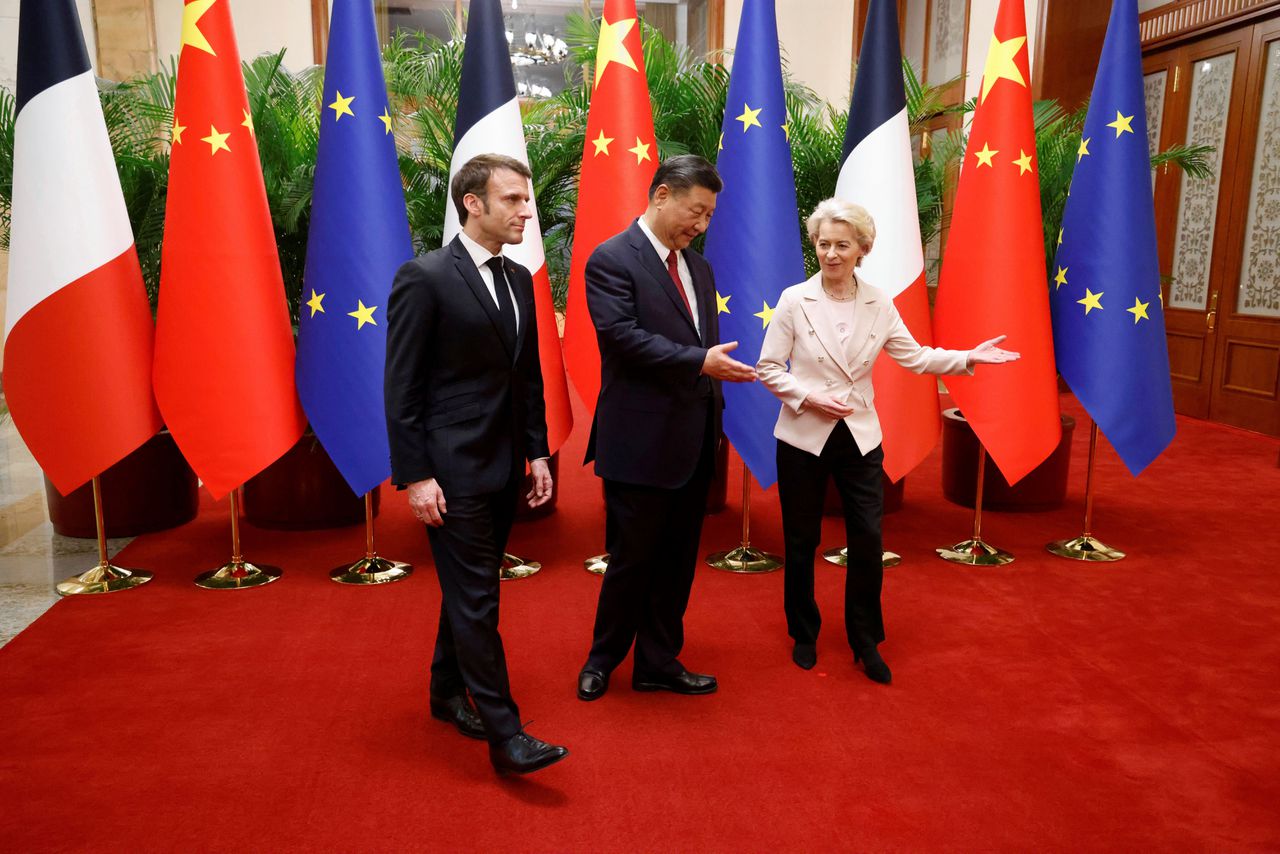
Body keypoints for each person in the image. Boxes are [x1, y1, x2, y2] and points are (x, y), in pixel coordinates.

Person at [756, 199, 1020, 683]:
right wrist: (810, 397)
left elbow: (916, 358)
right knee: (801, 539)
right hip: (802, 437)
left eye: (842, 244)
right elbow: (768, 368)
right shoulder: (795, 299)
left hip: (859, 437)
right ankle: (804, 633)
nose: (831, 254)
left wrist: (968, 357)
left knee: (868, 539)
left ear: (862, 249)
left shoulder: (880, 301)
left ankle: (865, 639)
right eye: (823, 244)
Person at [384, 153, 567, 775]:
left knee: (470, 591)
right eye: (513, 199)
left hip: (504, 466)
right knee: (478, 601)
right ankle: (506, 734)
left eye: (526, 198)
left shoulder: (519, 279)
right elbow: (401, 388)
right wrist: (415, 475)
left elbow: (527, 377)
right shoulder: (425, 276)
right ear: (474, 204)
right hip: (450, 471)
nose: (526, 210)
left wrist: (537, 451)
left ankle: (444, 691)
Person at [576, 155, 757, 702]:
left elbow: (710, 345)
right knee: (631, 560)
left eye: (707, 217)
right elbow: (622, 339)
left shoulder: (698, 268)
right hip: (638, 442)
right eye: (695, 212)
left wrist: (715, 404)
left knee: (678, 563)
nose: (700, 226)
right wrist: (700, 362)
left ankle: (658, 660)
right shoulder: (611, 259)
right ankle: (602, 658)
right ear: (661, 195)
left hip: (695, 439)